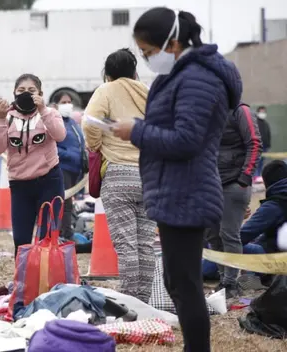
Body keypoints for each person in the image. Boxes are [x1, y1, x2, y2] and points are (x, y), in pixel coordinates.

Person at [111, 8, 242, 351]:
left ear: (172, 43)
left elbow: (187, 139)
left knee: (184, 284)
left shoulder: (199, 78)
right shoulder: (182, 75)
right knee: (176, 281)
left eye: (149, 51)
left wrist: (136, 130)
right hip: (175, 190)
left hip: (189, 190)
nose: (146, 58)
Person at [83, 48, 156, 303]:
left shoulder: (106, 90)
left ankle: (130, 302)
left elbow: (89, 122)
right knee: (146, 244)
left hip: (118, 175)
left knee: (127, 245)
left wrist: (95, 145)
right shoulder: (147, 91)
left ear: (109, 73)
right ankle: (145, 301)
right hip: (149, 176)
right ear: (134, 70)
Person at [0, 73, 66, 255]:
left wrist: (43, 110)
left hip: (49, 181)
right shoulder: (7, 117)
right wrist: (0, 119)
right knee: (21, 240)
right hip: (20, 185)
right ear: (14, 93)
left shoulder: (50, 113)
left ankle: (47, 279)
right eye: (21, 90)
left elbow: (60, 135)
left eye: (32, 91)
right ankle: (24, 279)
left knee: (47, 237)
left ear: (40, 93)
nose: (26, 94)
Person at [205, 103, 262, 298]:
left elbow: (254, 142)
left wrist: (245, 178)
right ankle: (224, 280)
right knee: (212, 234)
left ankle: (231, 283)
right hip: (210, 184)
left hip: (234, 183)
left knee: (228, 234)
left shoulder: (240, 110)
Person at [54, 92, 86, 241]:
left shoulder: (71, 122)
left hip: (74, 169)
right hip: (63, 167)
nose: (67, 105)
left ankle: (65, 232)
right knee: (65, 203)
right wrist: (69, 155)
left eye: (69, 102)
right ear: (55, 105)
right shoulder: (54, 122)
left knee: (68, 203)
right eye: (64, 102)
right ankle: (65, 234)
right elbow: (52, 147)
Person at [240, 160, 287, 254]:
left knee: (225, 246)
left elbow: (243, 236)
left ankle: (203, 268)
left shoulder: (274, 205)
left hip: (274, 258)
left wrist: (237, 217)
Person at [255, 106, 272, 178]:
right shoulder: (255, 123)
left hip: (264, 147)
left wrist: (268, 145)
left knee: (261, 163)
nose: (262, 113)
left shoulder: (266, 124)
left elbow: (268, 134)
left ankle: (258, 177)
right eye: (261, 112)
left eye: (264, 112)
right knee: (256, 163)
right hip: (256, 146)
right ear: (258, 112)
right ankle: (255, 177)